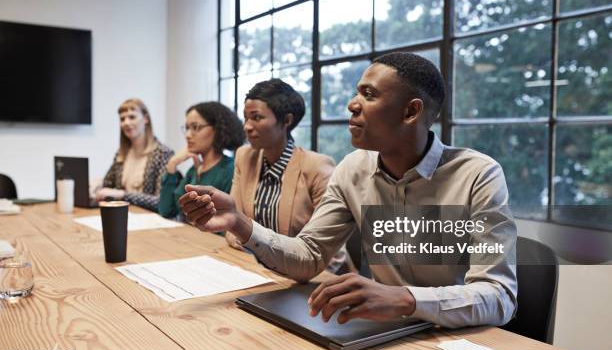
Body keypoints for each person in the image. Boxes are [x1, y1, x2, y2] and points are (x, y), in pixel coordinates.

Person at [179, 52, 517, 329]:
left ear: (411, 111)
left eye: (369, 95)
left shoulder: (478, 175)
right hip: (387, 332)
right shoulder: (353, 169)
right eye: (357, 92)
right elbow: (309, 257)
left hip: (459, 342)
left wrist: (403, 299)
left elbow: (499, 296)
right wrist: (240, 223)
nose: (352, 105)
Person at [224, 79, 347, 272]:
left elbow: (334, 255)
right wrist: (236, 234)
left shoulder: (317, 166)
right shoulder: (244, 156)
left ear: (287, 121)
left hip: (303, 277)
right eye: (246, 118)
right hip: (252, 270)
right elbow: (233, 222)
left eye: (256, 118)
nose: (247, 126)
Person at [158, 102, 244, 221]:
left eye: (195, 127)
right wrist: (172, 165)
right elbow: (166, 211)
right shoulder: (194, 170)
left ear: (217, 129)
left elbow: (227, 224)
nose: (188, 135)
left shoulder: (230, 169)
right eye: (187, 128)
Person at [96, 98, 173, 211]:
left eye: (132, 117)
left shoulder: (163, 153)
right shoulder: (121, 154)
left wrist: (123, 195)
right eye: (122, 119)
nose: (126, 123)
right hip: (123, 216)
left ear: (146, 119)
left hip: (151, 221)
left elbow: (160, 201)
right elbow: (107, 186)